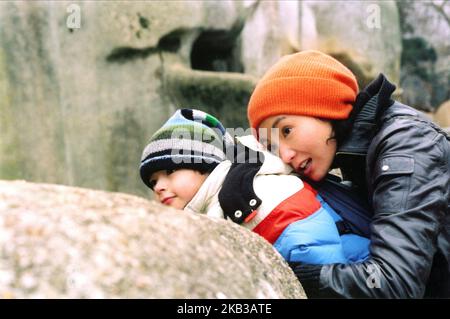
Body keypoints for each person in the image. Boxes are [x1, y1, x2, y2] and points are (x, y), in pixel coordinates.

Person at [247, 50, 450, 298]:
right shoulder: (354, 155)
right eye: (272, 147)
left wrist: (290, 275)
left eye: (286, 130)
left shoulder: (406, 144)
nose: (285, 155)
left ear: (324, 107)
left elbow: (394, 284)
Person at [139, 108, 370, 267]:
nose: (159, 187)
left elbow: (310, 245)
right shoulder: (216, 204)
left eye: (170, 172)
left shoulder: (248, 192)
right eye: (153, 181)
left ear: (204, 165)